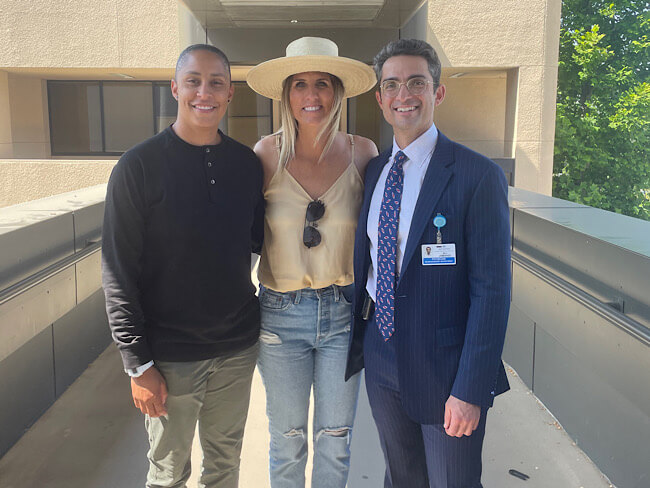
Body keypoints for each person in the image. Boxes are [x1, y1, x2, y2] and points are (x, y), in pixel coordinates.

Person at [345, 38, 511, 488]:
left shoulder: (477, 176)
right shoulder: (376, 171)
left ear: (437, 93)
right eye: (392, 85)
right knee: (402, 478)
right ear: (379, 99)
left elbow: (492, 293)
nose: (404, 95)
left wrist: (470, 389)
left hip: (446, 369)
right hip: (381, 357)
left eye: (417, 82)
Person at [101, 44, 264, 488]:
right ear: (175, 88)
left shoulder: (246, 165)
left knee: (225, 467)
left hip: (236, 350)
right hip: (168, 359)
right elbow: (117, 273)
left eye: (216, 83)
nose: (204, 92)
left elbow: (258, 240)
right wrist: (137, 363)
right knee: (169, 474)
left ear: (230, 93)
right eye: (193, 81)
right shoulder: (138, 167)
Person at [246, 37, 378, 488]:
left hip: (344, 311)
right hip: (280, 317)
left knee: (335, 437)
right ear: (287, 94)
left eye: (322, 83)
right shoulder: (265, 155)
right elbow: (235, 233)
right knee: (286, 437)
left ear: (337, 92)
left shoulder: (363, 152)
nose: (312, 95)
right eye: (300, 84)